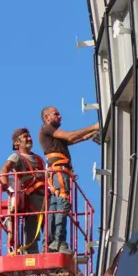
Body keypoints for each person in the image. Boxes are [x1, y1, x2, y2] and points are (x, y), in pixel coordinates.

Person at [38, 106, 100, 254]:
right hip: (59, 172)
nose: (60, 116)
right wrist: (95, 125)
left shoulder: (54, 137)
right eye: (56, 114)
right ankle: (59, 241)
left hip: (56, 173)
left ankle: (49, 244)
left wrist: (93, 132)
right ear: (47, 118)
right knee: (62, 203)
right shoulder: (47, 129)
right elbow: (70, 136)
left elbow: (78, 138)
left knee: (54, 207)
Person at [0, 128, 46, 254]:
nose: (29, 139)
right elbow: (4, 170)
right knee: (31, 231)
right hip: (32, 198)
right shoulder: (16, 157)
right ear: (16, 143)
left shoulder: (39, 159)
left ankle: (49, 252)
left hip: (45, 197)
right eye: (25, 137)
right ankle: (32, 256)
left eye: (29, 136)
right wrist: (5, 185)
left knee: (50, 229)